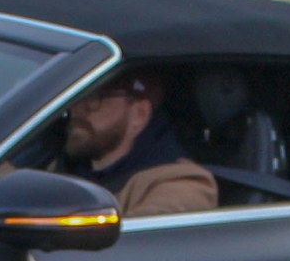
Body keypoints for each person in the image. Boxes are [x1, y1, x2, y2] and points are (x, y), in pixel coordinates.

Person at [47, 68, 217, 216]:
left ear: (139, 114)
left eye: (95, 99)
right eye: (77, 96)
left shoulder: (182, 184)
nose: (76, 109)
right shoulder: (64, 163)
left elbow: (134, 246)